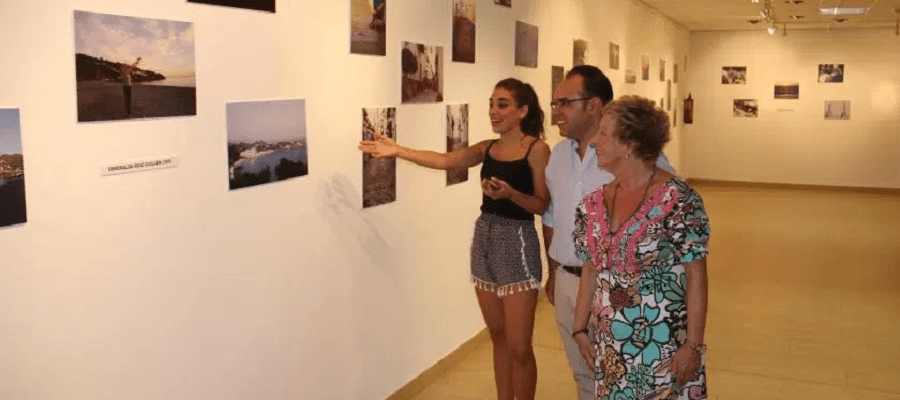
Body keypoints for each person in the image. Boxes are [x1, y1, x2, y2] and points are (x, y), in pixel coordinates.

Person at [359, 78, 550, 400]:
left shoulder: (537, 149)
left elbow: (542, 205)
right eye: (492, 103)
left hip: (517, 242)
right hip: (485, 239)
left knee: (519, 347)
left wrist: (511, 194)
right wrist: (397, 150)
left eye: (502, 104)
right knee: (499, 337)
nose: (493, 111)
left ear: (523, 110)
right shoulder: (487, 148)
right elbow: (445, 160)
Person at [543, 65, 673, 400]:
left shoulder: (638, 157)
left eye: (564, 103)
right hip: (569, 282)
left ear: (593, 106)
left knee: (623, 378)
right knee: (584, 376)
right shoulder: (558, 156)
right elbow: (552, 214)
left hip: (617, 287)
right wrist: (553, 271)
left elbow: (669, 213)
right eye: (555, 102)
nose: (555, 111)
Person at [572, 95, 710, 400]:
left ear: (631, 144)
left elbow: (696, 277)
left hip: (665, 349)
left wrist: (694, 346)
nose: (595, 141)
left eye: (605, 133)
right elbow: (590, 269)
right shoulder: (592, 205)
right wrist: (580, 330)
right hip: (611, 352)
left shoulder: (680, 202)